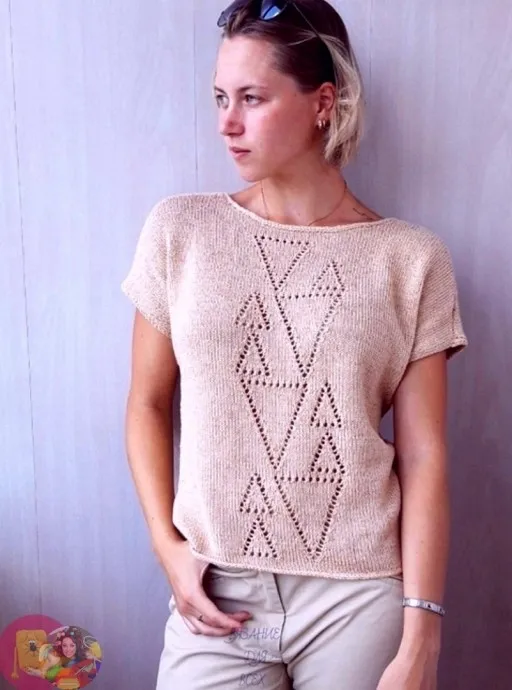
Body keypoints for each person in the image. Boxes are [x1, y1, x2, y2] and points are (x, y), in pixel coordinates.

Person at [121, 1, 469, 688]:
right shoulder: (179, 232)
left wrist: (422, 635)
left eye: (252, 98)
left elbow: (425, 455)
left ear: (322, 104)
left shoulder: (410, 260)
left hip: (356, 600)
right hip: (216, 593)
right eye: (220, 98)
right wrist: (168, 548)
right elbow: (147, 405)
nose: (226, 122)